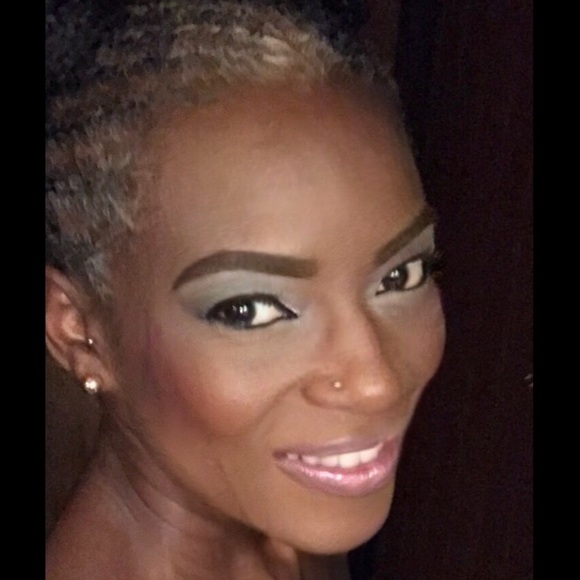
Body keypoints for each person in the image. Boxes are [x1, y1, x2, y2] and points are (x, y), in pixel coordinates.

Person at [45, 1, 446, 578]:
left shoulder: (284, 523)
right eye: (250, 310)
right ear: (77, 329)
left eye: (401, 276)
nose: (375, 382)